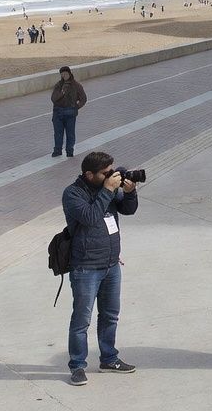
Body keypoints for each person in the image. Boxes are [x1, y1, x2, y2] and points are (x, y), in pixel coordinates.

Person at [62, 151, 138, 386]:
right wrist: (107, 190)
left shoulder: (109, 189)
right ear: (89, 174)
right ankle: (77, 366)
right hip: (86, 268)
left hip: (111, 264)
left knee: (110, 315)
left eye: (111, 171)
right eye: (105, 174)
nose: (111, 177)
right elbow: (90, 217)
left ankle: (109, 358)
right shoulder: (73, 193)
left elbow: (128, 210)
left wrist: (129, 192)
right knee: (81, 320)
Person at [50, 66, 87, 158]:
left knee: (70, 133)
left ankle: (70, 151)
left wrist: (76, 107)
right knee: (58, 133)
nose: (64, 76)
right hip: (58, 112)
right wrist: (62, 92)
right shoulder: (58, 85)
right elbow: (53, 98)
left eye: (65, 74)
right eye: (62, 74)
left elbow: (83, 98)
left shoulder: (76, 85)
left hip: (70, 113)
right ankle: (57, 150)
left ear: (69, 73)